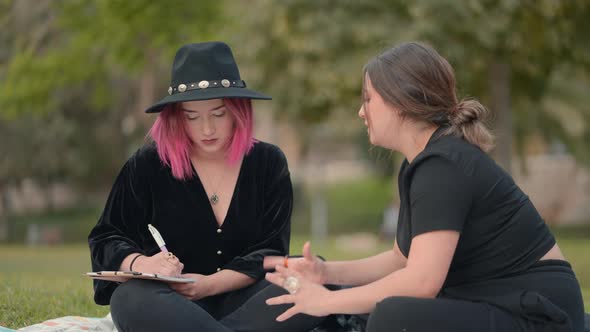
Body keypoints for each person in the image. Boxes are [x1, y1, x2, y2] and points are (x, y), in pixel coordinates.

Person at [263, 42, 586, 332]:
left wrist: (324, 302)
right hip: (492, 305)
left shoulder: (444, 165)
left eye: (368, 99)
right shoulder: (426, 162)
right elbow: (400, 261)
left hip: (537, 316)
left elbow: (421, 282)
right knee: (363, 304)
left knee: (393, 315)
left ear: (400, 102)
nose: (361, 112)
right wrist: (325, 273)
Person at [88, 42, 324, 332]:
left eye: (218, 114)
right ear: (176, 116)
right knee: (129, 297)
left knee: (311, 273)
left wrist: (209, 285)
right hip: (170, 304)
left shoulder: (268, 162)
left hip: (247, 301)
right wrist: (142, 263)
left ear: (238, 110)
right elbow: (106, 237)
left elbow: (270, 250)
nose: (207, 129)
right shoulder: (148, 164)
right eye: (192, 117)